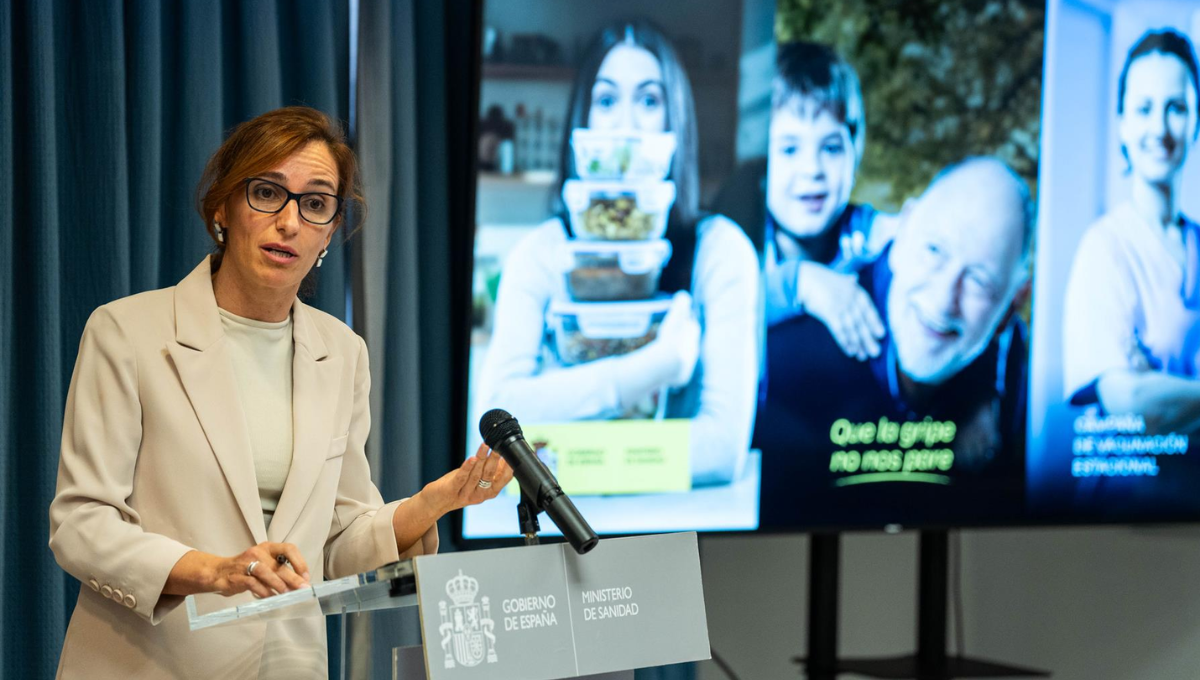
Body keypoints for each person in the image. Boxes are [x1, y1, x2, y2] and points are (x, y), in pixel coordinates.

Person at [48, 107, 514, 679]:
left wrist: (428, 506)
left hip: (287, 665)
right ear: (222, 207)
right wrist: (216, 571)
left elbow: (338, 542)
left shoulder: (342, 352)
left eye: (315, 203)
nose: (289, 222)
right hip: (152, 664)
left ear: (329, 232)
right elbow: (82, 524)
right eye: (267, 193)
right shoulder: (128, 333)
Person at [476, 21, 760, 486]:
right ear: (582, 122)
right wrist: (656, 366)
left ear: (676, 124)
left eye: (649, 100)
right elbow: (495, 423)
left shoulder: (720, 251)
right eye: (606, 100)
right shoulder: (541, 255)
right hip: (558, 529)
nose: (626, 122)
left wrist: (567, 452)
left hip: (681, 528)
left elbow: (723, 450)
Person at [753, 157, 1032, 525]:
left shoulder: (1025, 387)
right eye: (934, 250)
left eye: (980, 281)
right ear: (904, 228)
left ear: (1014, 301)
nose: (943, 299)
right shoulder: (784, 356)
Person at [1063, 29, 1200, 436]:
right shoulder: (1104, 248)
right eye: (1143, 109)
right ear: (1122, 123)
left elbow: (1155, 400)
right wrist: (1144, 394)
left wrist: (1167, 388)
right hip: (1126, 498)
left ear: (1196, 121)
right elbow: (1132, 404)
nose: (1159, 128)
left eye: (1176, 107)